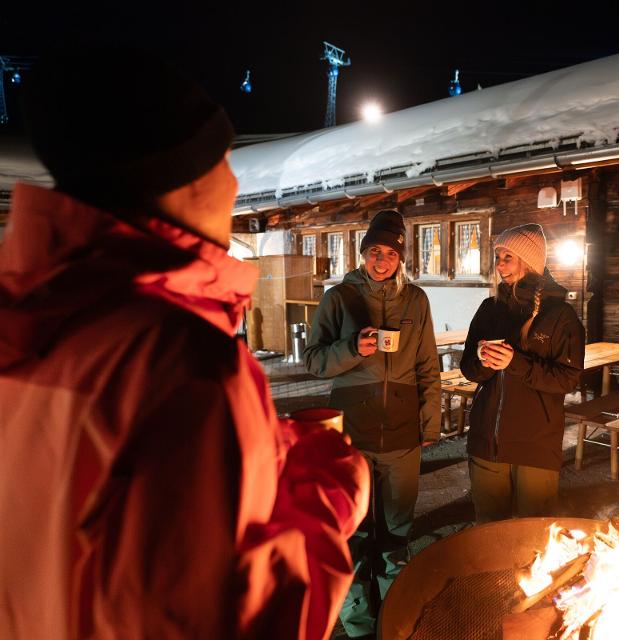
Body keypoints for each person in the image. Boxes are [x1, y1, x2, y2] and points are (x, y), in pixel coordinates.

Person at [0, 48, 369, 640]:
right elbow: (246, 621)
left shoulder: (36, 327)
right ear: (183, 179)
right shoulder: (177, 360)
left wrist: (260, 453)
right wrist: (331, 490)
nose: (233, 180)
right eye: (222, 159)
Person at [304, 209, 441, 638]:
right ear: (363, 253)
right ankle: (361, 626)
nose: (382, 260)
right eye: (374, 251)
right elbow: (313, 361)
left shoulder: (416, 301)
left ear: (401, 258)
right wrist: (351, 349)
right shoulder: (338, 298)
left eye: (390, 253)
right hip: (353, 436)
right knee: (354, 536)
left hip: (402, 436)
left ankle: (394, 620)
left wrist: (429, 428)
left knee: (397, 538)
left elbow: (428, 369)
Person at [460, 223, 585, 522]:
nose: (500, 264)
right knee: (489, 533)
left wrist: (514, 362)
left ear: (529, 260)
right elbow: (468, 369)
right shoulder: (489, 308)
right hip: (487, 442)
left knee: (532, 536)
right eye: (498, 256)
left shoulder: (559, 315)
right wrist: (481, 360)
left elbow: (568, 379)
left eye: (508, 257)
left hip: (535, 446)